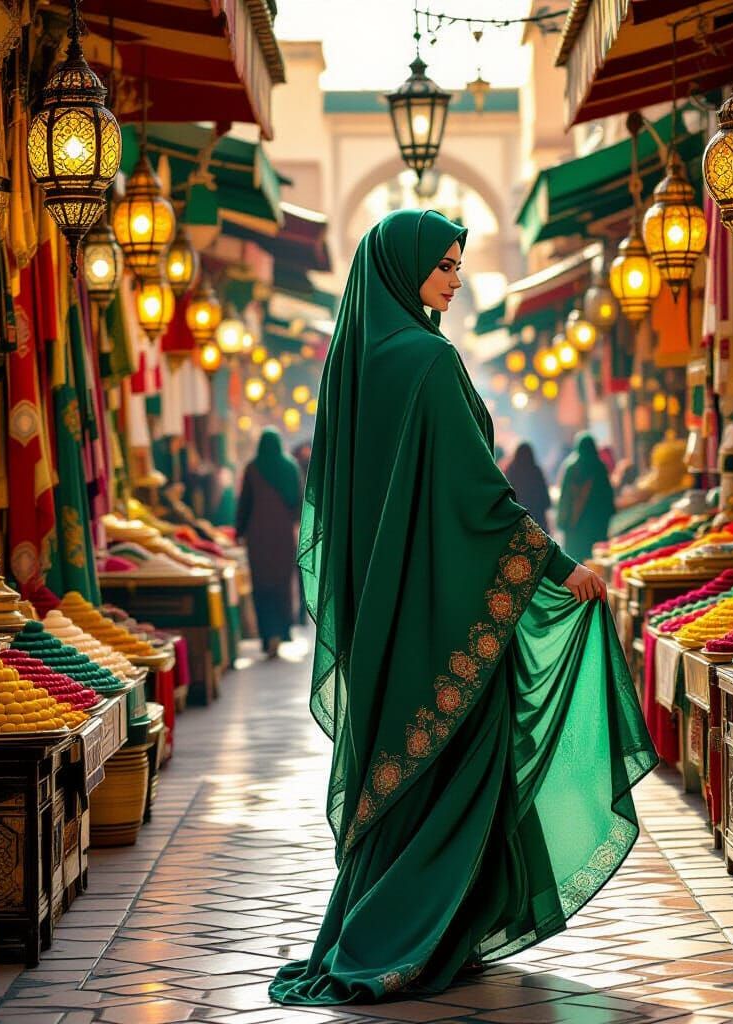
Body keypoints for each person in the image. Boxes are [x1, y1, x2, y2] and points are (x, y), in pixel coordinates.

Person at [270, 210, 656, 1006]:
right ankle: (416, 935)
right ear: (407, 267)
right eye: (444, 265)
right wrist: (556, 564)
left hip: (387, 616)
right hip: (446, 612)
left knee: (406, 768)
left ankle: (402, 926)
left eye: (457, 264)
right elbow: (478, 493)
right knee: (462, 767)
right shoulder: (428, 358)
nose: (454, 279)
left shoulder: (357, 363)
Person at [236, 428, 302, 659]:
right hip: (283, 537)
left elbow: (244, 504)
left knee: (262, 586)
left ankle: (268, 634)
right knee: (282, 585)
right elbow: (298, 502)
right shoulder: (290, 467)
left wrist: (239, 531)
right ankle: (282, 631)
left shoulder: (252, 469)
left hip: (258, 539)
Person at [556, 432, 616, 561]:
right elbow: (608, 496)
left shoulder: (571, 468)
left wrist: (562, 521)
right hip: (597, 524)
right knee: (595, 559)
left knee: (576, 560)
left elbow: (565, 499)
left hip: (575, 525)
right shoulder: (600, 467)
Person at [503, 442, 551, 530]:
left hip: (516, 521)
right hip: (536, 521)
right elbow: (546, 500)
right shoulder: (536, 472)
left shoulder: (511, 472)